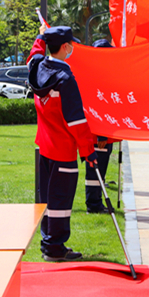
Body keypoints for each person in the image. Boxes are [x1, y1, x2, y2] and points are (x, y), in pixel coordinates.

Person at [28, 26, 98, 261]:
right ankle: (54, 247)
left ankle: (48, 241)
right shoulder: (66, 79)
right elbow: (76, 120)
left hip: (44, 147)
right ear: (66, 47)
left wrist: (40, 36)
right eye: (71, 44)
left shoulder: (37, 68)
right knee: (61, 200)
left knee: (48, 197)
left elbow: (34, 55)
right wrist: (89, 150)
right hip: (63, 150)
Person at [85, 38, 118, 214]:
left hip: (103, 134)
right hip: (99, 135)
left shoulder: (100, 73)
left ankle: (95, 202)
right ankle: (93, 204)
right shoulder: (97, 76)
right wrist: (102, 136)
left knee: (99, 169)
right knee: (95, 169)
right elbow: (97, 108)